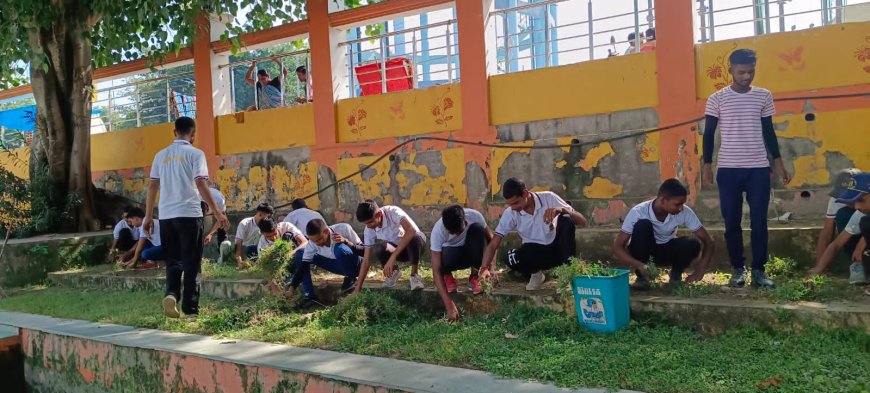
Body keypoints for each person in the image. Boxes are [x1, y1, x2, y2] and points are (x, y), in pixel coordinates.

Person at [702, 48, 791, 289]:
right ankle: (737, 270)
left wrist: (779, 162)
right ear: (730, 69)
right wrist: (707, 165)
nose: (746, 77)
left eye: (751, 72)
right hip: (729, 170)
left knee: (759, 222)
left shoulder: (763, 96)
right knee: (732, 223)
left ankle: (759, 271)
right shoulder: (717, 98)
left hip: (758, 169)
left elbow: (769, 132)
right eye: (741, 72)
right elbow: (708, 134)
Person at [144, 116, 228, 319]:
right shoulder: (196, 154)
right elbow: (200, 183)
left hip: (166, 216)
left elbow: (153, 186)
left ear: (174, 132)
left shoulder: (160, 155)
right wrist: (217, 212)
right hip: (189, 214)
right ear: (193, 135)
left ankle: (172, 293)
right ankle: (190, 310)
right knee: (192, 262)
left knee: (172, 259)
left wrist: (148, 216)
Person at [480, 178, 588, 291]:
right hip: (535, 254)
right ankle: (536, 274)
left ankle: (566, 277)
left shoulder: (548, 198)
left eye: (516, 202)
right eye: (509, 204)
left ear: (526, 194)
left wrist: (562, 210)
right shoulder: (511, 213)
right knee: (510, 258)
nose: (513, 207)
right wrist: (484, 269)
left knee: (566, 221)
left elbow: (583, 222)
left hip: (558, 251)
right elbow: (493, 244)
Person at [613, 179, 716, 289]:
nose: (681, 208)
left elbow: (708, 242)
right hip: (643, 254)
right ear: (663, 200)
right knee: (642, 225)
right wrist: (638, 264)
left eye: (682, 204)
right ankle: (642, 278)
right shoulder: (638, 212)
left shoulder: (684, 212)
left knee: (692, 244)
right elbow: (618, 246)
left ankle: (676, 275)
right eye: (677, 204)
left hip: (666, 252)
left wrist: (700, 270)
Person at [431, 205, 493, 321]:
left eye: (458, 231)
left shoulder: (475, 216)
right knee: (442, 255)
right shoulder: (438, 231)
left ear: (465, 220)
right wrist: (449, 305)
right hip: (451, 257)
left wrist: (490, 268)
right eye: (451, 232)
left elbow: (491, 240)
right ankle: (448, 277)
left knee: (478, 229)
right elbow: (436, 270)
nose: (455, 235)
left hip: (471, 253)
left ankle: (474, 277)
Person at [353, 199, 427, 292]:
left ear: (379, 215)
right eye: (365, 224)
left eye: (370, 222)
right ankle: (394, 272)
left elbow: (411, 230)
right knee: (379, 248)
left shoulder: (393, 212)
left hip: (417, 246)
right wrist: (357, 289)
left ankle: (414, 276)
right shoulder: (369, 230)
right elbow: (366, 260)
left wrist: (393, 257)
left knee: (413, 237)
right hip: (399, 250)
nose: (368, 226)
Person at [285, 220, 364, 303]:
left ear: (326, 232)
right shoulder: (313, 243)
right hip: (338, 266)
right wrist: (291, 289)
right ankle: (309, 295)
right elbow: (302, 267)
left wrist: (346, 241)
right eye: (313, 241)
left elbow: (363, 251)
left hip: (355, 265)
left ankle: (350, 280)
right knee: (301, 252)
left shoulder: (343, 228)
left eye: (319, 240)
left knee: (339, 249)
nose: (317, 244)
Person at [812, 169, 864, 282]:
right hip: (858, 240)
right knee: (843, 214)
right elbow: (829, 235)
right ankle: (859, 263)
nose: (849, 201)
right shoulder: (842, 205)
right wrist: (819, 268)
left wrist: (860, 247)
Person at [832, 171, 870, 295]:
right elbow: (837, 243)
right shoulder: (861, 214)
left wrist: (861, 244)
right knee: (865, 223)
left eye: (861, 200)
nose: (857, 206)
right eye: (855, 202)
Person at [234, 203, 274, 267]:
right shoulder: (244, 223)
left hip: (257, 251)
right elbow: (238, 243)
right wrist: (239, 261)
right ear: (260, 215)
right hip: (244, 250)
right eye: (267, 218)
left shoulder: (268, 225)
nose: (268, 220)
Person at [201, 187, 231, 263]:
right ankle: (199, 257)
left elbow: (221, 220)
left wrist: (211, 234)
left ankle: (224, 256)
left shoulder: (218, 200)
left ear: (208, 209)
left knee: (223, 226)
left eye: (205, 214)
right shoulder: (193, 201)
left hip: (218, 208)